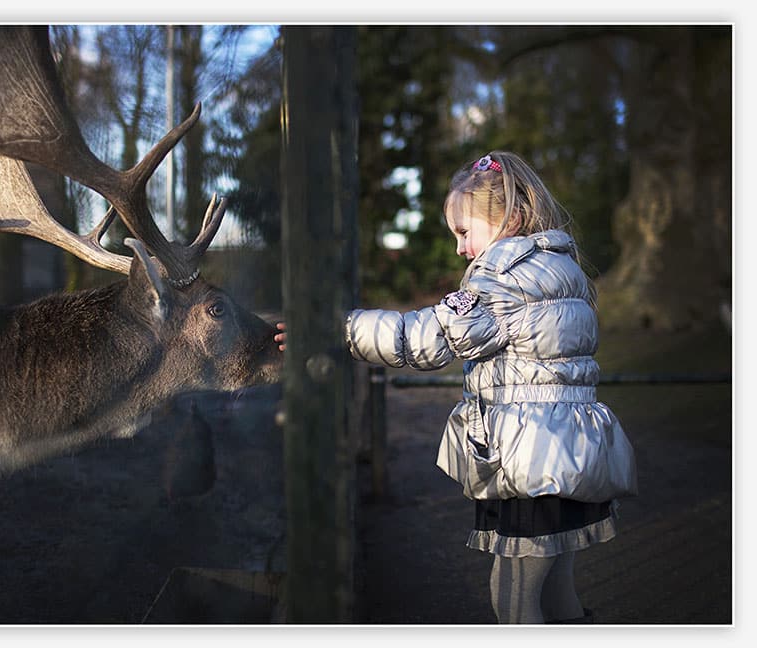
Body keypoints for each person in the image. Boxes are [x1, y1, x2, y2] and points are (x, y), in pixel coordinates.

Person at [273, 150, 638, 624]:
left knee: (512, 596)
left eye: (465, 233)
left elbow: (425, 338)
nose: (460, 249)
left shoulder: (500, 281)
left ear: (512, 218)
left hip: (532, 463)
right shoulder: (563, 269)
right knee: (557, 589)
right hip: (572, 456)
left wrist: (336, 330)